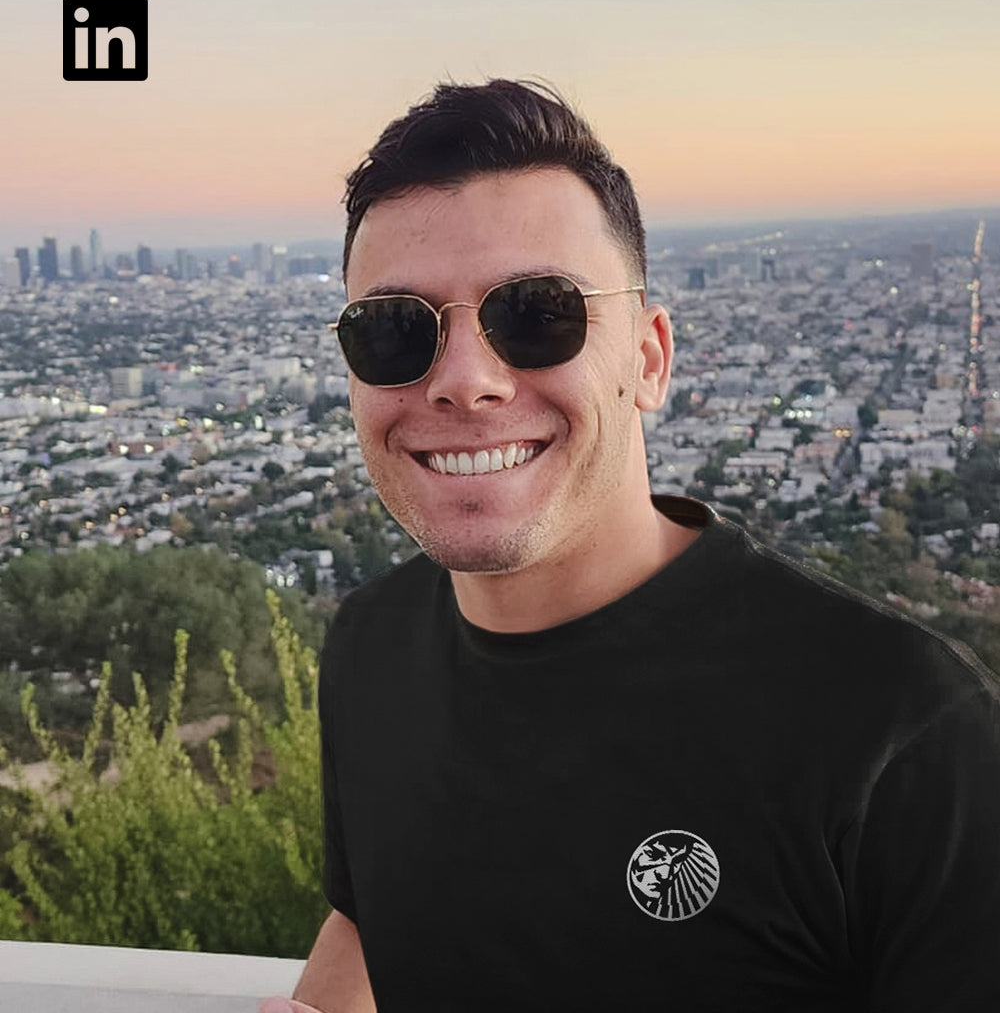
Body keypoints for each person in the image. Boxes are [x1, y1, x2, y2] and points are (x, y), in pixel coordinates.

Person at [260, 80, 1000, 1013]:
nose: (465, 381)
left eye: (535, 314)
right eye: (396, 330)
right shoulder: (370, 646)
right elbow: (370, 920)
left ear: (649, 359)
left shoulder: (899, 727)